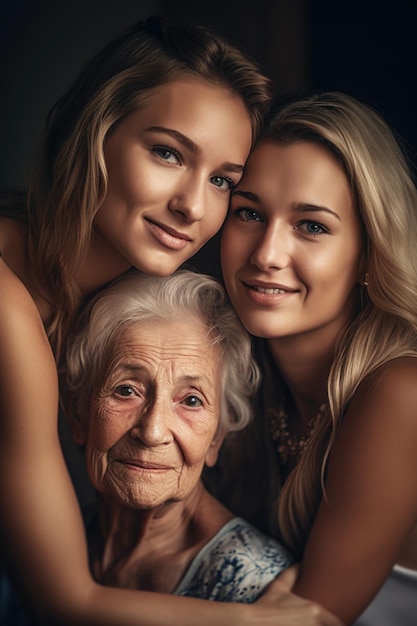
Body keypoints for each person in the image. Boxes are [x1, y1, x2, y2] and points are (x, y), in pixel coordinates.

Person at [0, 14, 340, 626]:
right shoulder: (9, 307)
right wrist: (260, 618)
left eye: (221, 181)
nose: (192, 204)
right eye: (167, 152)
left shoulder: (91, 309)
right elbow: (63, 599)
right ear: (94, 131)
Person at [217, 91, 417, 625]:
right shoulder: (248, 377)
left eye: (311, 226)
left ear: (369, 255)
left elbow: (308, 620)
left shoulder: (400, 391)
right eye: (249, 213)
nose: (266, 254)